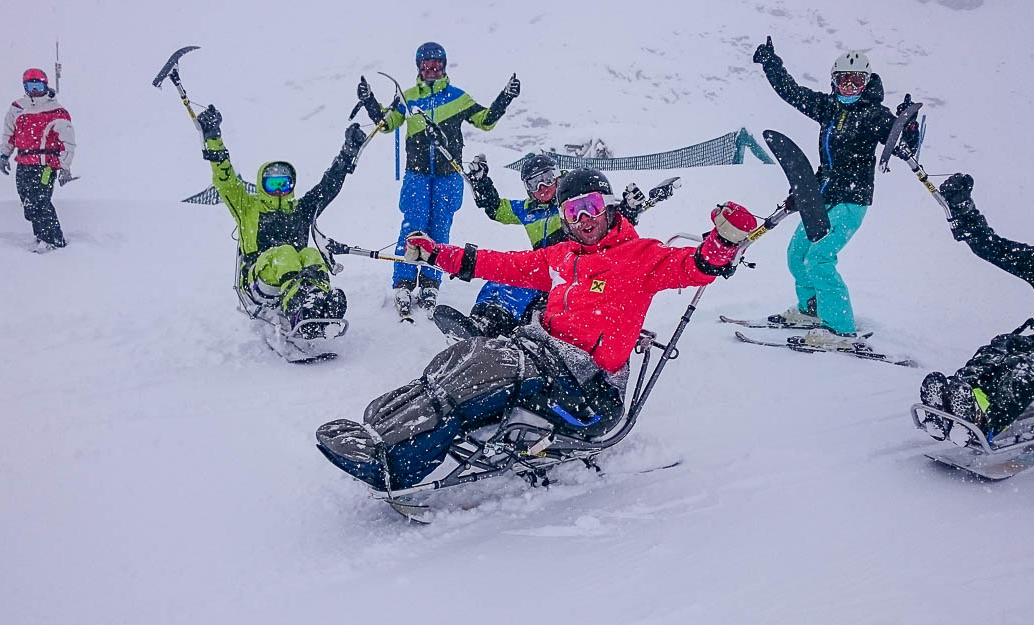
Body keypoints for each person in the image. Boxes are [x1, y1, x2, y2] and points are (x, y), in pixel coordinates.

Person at [315, 169, 757, 490]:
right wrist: (437, 254)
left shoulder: (640, 257)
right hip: (543, 355)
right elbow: (500, 264)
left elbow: (696, 266)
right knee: (463, 355)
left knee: (485, 368)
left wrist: (722, 242)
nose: (584, 219)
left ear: (608, 207)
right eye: (573, 211)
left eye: (592, 207)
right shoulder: (562, 254)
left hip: (587, 391)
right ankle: (379, 427)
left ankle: (396, 466)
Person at [753, 37, 919, 347]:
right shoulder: (828, 107)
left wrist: (907, 127)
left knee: (820, 258)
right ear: (834, 81)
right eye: (843, 80)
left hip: (851, 201)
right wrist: (771, 64)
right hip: (822, 196)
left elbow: (901, 147)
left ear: (866, 83)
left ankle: (840, 327)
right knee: (797, 254)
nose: (849, 87)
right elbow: (792, 92)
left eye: (856, 81)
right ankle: (812, 310)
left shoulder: (874, 115)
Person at [356, 42, 520, 317]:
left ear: (443, 67)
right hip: (417, 175)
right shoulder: (408, 98)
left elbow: (485, 120)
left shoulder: (458, 98)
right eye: (426, 65)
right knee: (414, 225)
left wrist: (506, 97)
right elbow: (387, 124)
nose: (432, 69)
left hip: (448, 175)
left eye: (436, 65)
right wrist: (369, 100)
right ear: (419, 68)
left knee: (439, 228)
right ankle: (404, 282)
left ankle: (431, 282)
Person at [919, 177, 1034, 439]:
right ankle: (957, 400)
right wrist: (963, 209)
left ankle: (985, 422)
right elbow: (994, 248)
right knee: (1004, 346)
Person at [436, 152, 672, 339]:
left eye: (547, 178)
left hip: (572, 270)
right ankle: (481, 319)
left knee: (521, 286)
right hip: (542, 267)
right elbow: (496, 209)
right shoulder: (528, 210)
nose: (543, 187)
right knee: (500, 279)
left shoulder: (575, 202)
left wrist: (630, 210)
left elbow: (607, 218)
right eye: (534, 183)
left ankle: (494, 324)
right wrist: (481, 183)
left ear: (558, 176)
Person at [194, 104, 365, 336]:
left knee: (311, 254)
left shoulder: (300, 210)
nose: (278, 190)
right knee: (284, 252)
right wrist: (213, 138)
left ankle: (321, 302)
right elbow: (226, 181)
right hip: (257, 281)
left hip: (297, 278)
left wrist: (348, 153)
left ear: (291, 185)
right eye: (272, 184)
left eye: (283, 184)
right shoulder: (248, 207)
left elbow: (328, 187)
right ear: (261, 185)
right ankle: (299, 310)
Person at [0, 68, 76, 252]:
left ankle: (54, 240)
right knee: (27, 201)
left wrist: (65, 167)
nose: (34, 90)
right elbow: (9, 134)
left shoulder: (56, 111)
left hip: (46, 166)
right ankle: (41, 235)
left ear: (45, 86)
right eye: (30, 86)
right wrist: (4, 155)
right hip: (23, 163)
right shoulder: (17, 108)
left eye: (38, 86)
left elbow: (68, 142)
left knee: (40, 200)